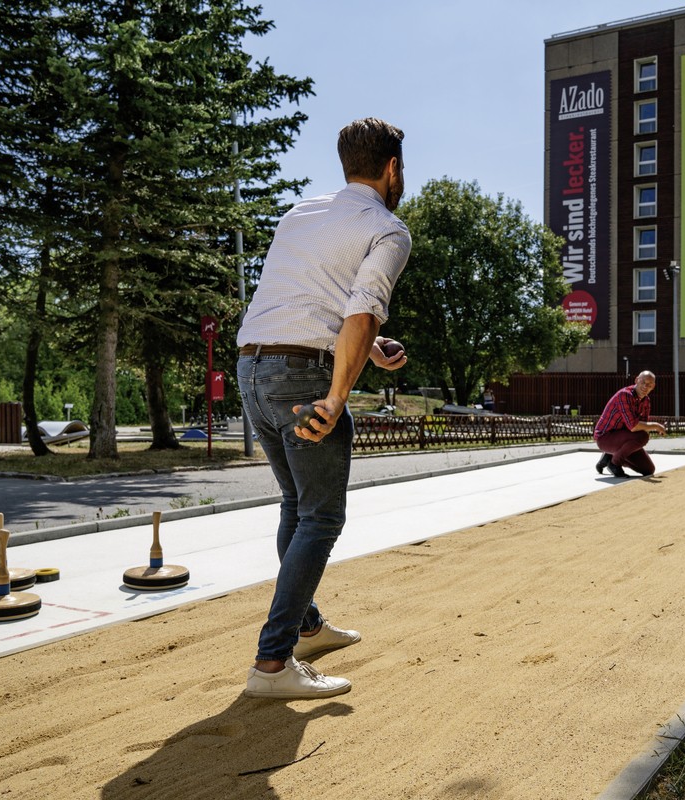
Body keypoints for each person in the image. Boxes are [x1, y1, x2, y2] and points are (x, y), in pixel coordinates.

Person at [235, 118, 411, 699]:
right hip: (303, 380)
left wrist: (369, 349)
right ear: (392, 168)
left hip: (253, 369)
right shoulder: (387, 229)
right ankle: (272, 663)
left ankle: (306, 627)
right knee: (321, 517)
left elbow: (306, 302)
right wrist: (336, 398)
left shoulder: (301, 213)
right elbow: (360, 312)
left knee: (297, 504)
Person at [593, 371, 667, 477]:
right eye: (643, 382)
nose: (645, 387)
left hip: (623, 438)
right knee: (643, 436)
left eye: (649, 385)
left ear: (653, 387)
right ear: (636, 380)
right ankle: (614, 463)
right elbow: (634, 426)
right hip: (605, 438)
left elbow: (642, 425)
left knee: (648, 470)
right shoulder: (625, 395)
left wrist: (649, 427)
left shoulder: (646, 401)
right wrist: (656, 426)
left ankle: (609, 457)